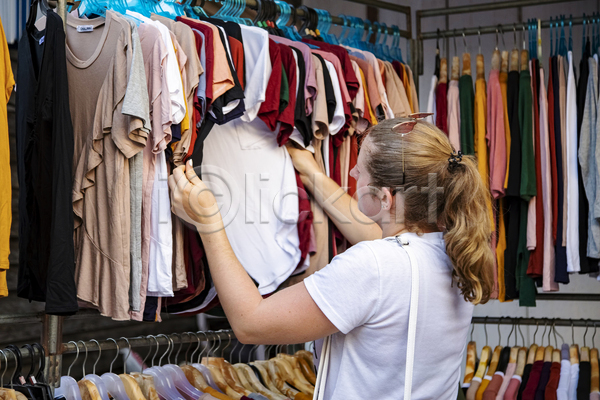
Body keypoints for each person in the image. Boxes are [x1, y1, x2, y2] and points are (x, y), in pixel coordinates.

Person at [168, 117, 495, 399]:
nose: (352, 171)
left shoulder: (374, 266)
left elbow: (251, 324)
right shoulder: (449, 249)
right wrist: (312, 174)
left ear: (385, 197)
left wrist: (209, 222)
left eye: (361, 168)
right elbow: (372, 234)